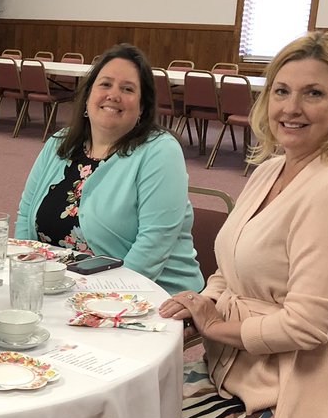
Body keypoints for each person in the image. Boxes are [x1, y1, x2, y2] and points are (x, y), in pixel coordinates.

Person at [159, 31, 328, 418]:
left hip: (303, 404)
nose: (291, 108)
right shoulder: (273, 168)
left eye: (313, 93)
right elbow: (228, 267)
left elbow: (306, 326)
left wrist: (214, 327)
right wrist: (203, 301)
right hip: (238, 374)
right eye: (282, 91)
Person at [15, 43, 203, 295]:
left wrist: (98, 300)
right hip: (62, 291)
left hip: (148, 295)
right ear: (87, 96)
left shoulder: (159, 151)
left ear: (142, 108)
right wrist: (24, 273)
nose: (113, 95)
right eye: (105, 84)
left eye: (127, 89)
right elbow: (26, 214)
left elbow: (152, 247)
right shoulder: (60, 143)